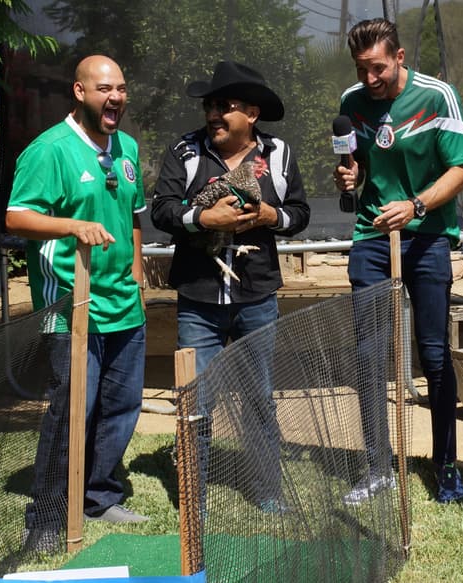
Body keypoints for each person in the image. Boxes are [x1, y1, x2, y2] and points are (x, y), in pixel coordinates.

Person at [150, 61, 310, 511]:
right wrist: (203, 218)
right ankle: (192, 492)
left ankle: (266, 490)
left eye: (226, 105)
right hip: (199, 295)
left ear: (252, 114)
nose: (214, 114)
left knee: (259, 396)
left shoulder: (278, 154)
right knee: (196, 397)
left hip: (256, 294)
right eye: (210, 106)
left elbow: (299, 214)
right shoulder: (185, 151)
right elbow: (161, 210)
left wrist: (268, 217)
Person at [6, 55, 148, 553]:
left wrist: (135, 270)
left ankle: (99, 495)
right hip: (71, 307)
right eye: (105, 88)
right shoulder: (50, 151)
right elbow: (16, 216)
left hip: (123, 305)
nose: (116, 98)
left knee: (122, 407)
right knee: (71, 412)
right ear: (80, 92)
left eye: (122, 88)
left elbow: (133, 212)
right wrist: (70, 225)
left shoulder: (126, 147)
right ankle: (45, 516)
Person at [333, 18, 463, 504]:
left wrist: (415, 206)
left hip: (428, 237)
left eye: (378, 68)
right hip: (372, 236)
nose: (370, 79)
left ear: (400, 57)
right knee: (370, 355)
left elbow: (460, 169)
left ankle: (447, 465)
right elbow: (356, 163)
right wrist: (349, 179)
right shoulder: (352, 102)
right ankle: (377, 467)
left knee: (433, 355)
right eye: (361, 69)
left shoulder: (437, 96)